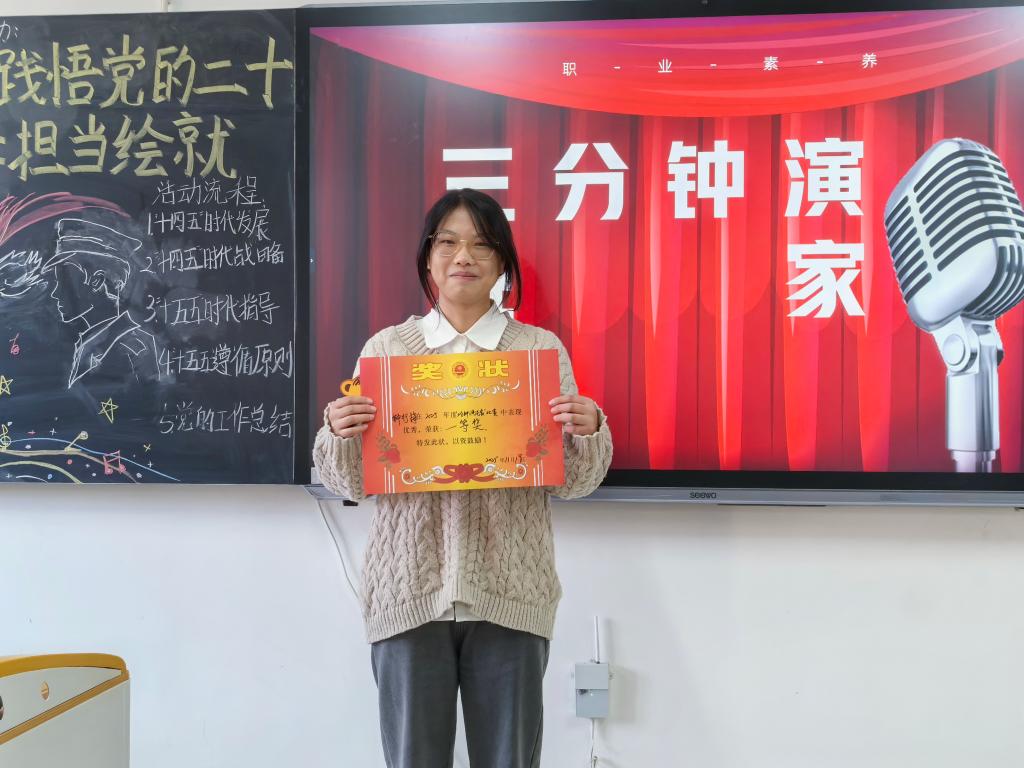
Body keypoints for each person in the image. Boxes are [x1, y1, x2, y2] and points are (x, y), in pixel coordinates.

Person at [313, 188, 612, 768]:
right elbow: (350, 482)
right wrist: (338, 430)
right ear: (428, 258)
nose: (463, 257)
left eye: (481, 244)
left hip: (511, 595)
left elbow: (573, 481)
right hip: (408, 596)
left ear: (503, 262)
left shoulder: (537, 350)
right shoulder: (388, 350)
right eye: (447, 242)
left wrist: (589, 427)